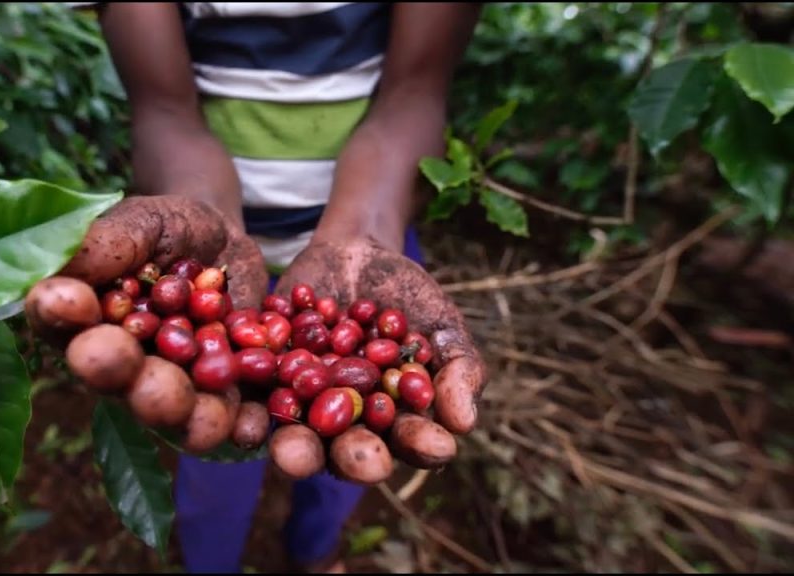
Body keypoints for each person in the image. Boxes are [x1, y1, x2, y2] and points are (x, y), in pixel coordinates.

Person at [68, 2, 487, 573]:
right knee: (215, 451)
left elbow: (414, 93)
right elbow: (163, 109)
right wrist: (200, 213)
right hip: (224, 246)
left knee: (348, 460)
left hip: (369, 239)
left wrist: (366, 229)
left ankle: (313, 551)